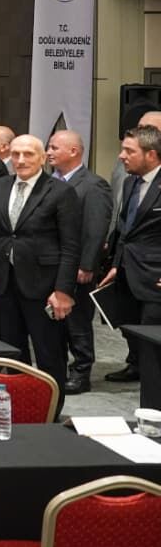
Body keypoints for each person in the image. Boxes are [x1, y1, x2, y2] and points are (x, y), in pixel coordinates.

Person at [0, 136, 80, 390]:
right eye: (15, 154)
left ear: (43, 158)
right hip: (3, 282)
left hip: (44, 286)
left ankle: (51, 408)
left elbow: (70, 246)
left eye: (28, 154)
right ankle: (20, 403)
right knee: (12, 352)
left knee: (49, 353)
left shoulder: (60, 191)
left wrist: (63, 291)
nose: (21, 160)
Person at [100, 125, 161, 384]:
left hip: (155, 277)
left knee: (151, 336)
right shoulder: (130, 182)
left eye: (129, 151)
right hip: (128, 270)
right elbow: (126, 228)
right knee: (130, 326)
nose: (121, 156)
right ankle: (136, 366)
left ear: (151, 154)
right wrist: (116, 264)